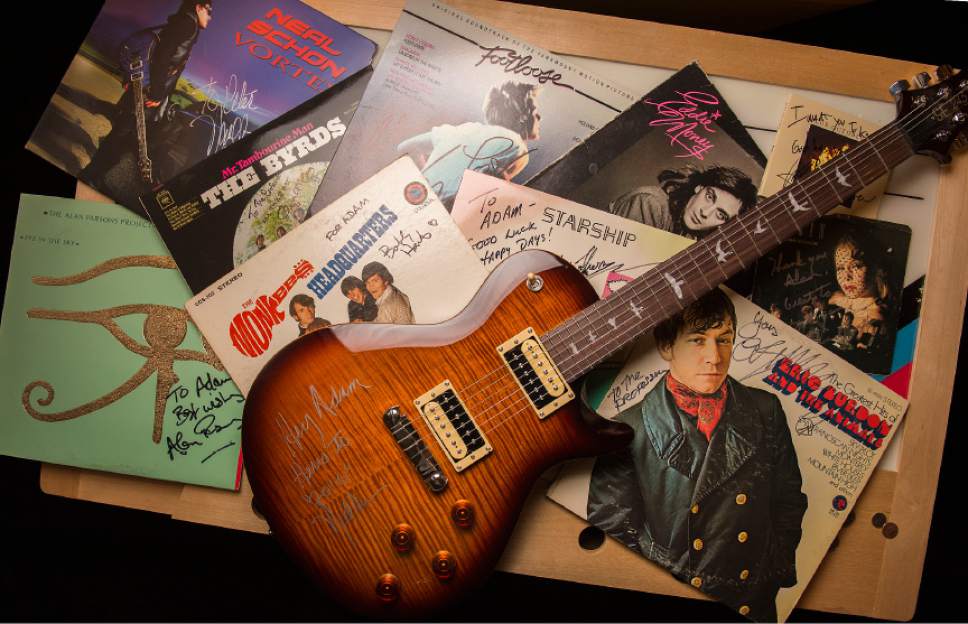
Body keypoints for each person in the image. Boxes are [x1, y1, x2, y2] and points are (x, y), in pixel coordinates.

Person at [587, 290, 807, 622]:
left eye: (724, 340)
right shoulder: (625, 430)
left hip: (750, 599)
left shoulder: (766, 410)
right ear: (666, 346)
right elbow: (611, 530)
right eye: (698, 340)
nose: (714, 358)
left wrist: (769, 575)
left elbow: (788, 501)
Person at [82, 1, 213, 188]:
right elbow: (162, 56)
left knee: (125, 133)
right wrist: (157, 93)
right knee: (123, 133)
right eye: (209, 11)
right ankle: (91, 175)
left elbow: (159, 55)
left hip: (145, 88)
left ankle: (96, 174)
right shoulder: (187, 24)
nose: (210, 16)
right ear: (199, 7)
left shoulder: (184, 23)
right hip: (147, 91)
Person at [396, 81, 541, 207]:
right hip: (442, 219)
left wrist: (425, 181)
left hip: (415, 201)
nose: (539, 116)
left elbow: (405, 147)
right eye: (534, 112)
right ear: (522, 117)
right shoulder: (516, 146)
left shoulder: (463, 129)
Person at [608, 165, 758, 240]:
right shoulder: (651, 203)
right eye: (710, 197)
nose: (705, 213)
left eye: (720, 214)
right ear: (699, 187)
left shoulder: (692, 236)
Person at [827, 234, 890, 340]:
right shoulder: (839, 303)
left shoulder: (874, 318)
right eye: (840, 268)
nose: (847, 277)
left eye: (855, 266)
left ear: (875, 269)